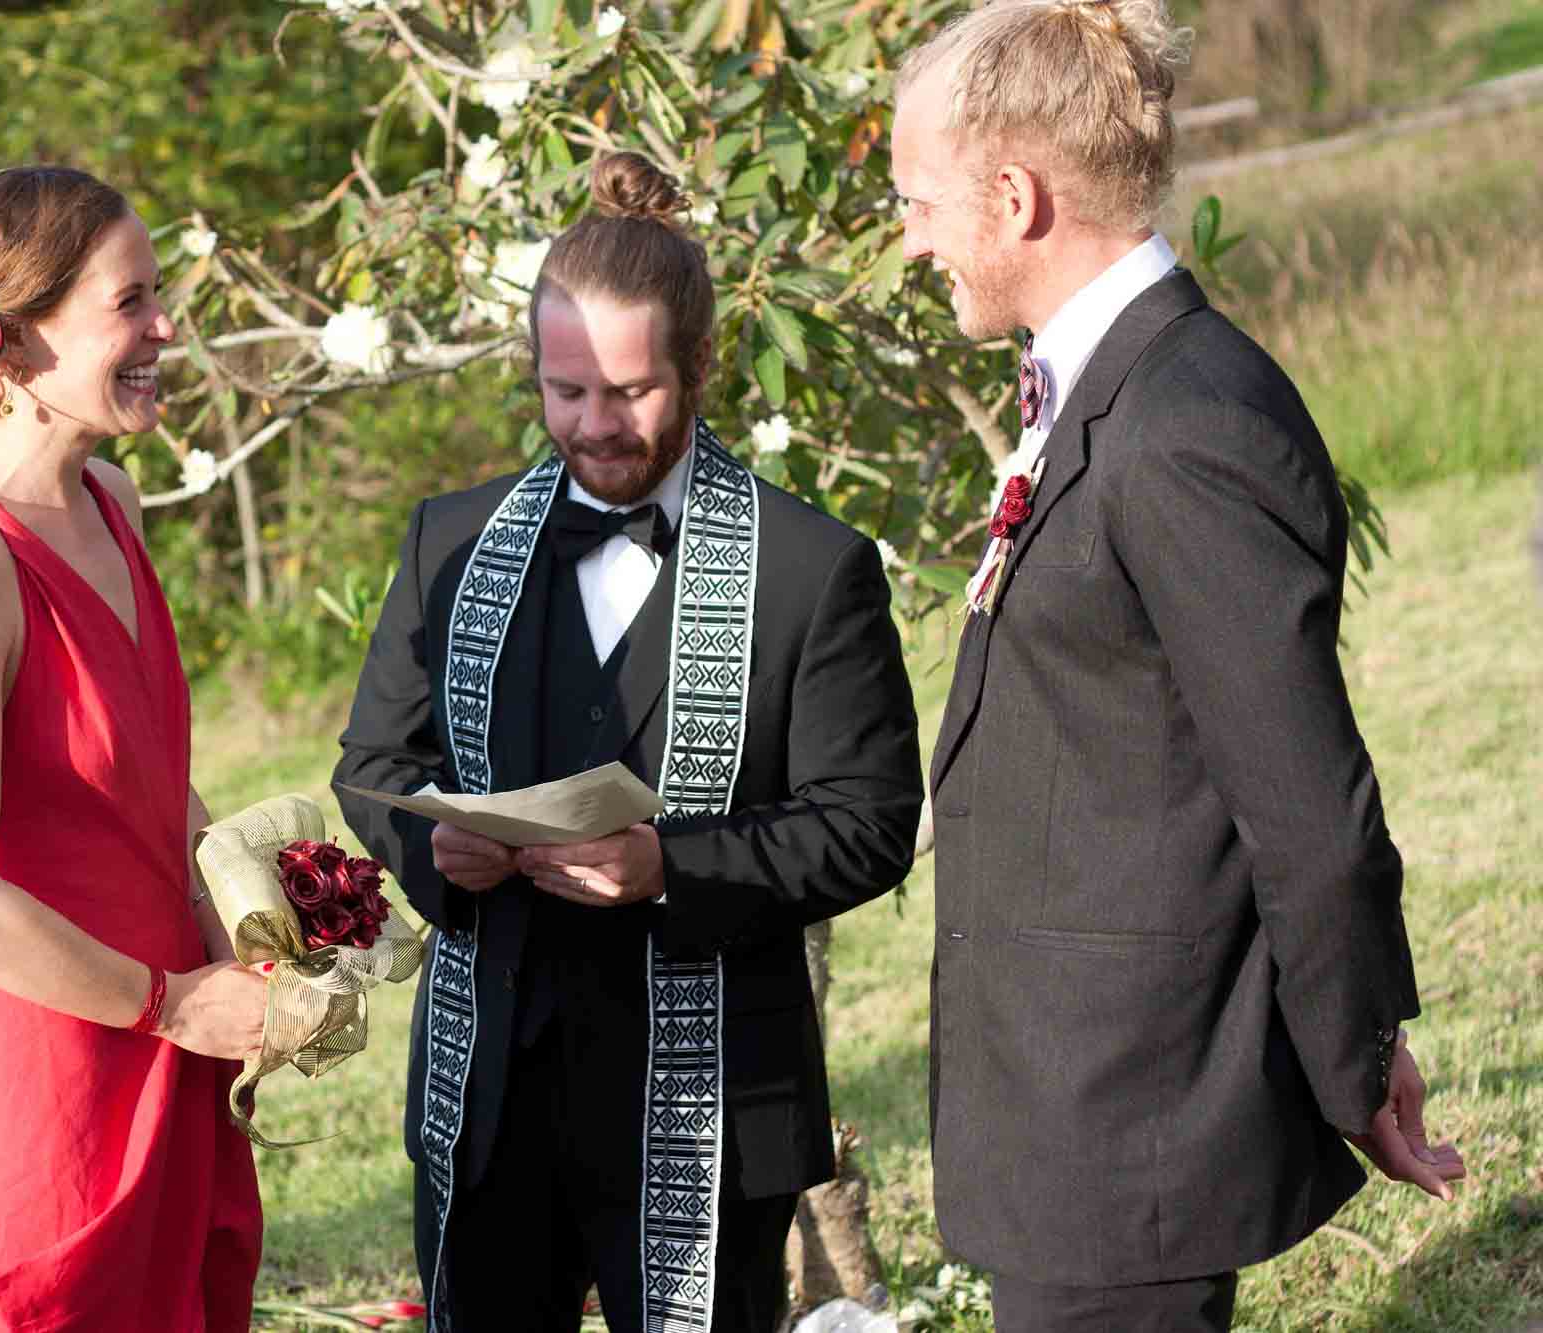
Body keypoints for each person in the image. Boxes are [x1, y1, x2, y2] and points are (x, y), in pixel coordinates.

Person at [889, 3, 1467, 1329]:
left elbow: (1308, 809)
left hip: (1131, 1117)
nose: (911, 237)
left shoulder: (1184, 423)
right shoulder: (1103, 388)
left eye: (920, 200)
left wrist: (1356, 1056)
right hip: (1070, 1107)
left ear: (1017, 196)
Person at [332, 151, 924, 1333]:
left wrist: (673, 868)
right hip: (486, 1088)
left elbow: (867, 823)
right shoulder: (448, 542)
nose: (594, 426)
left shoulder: (812, 568)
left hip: (714, 1111)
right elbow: (376, 767)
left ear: (700, 366)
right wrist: (428, 841)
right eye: (565, 393)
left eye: (631, 392)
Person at [0, 165, 267, 1331]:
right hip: (34, 1093)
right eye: (129, 303)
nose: (164, 328)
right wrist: (174, 1005)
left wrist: (264, 914)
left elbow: (142, 785)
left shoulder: (112, 503)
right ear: (17, 335)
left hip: (162, 1049)